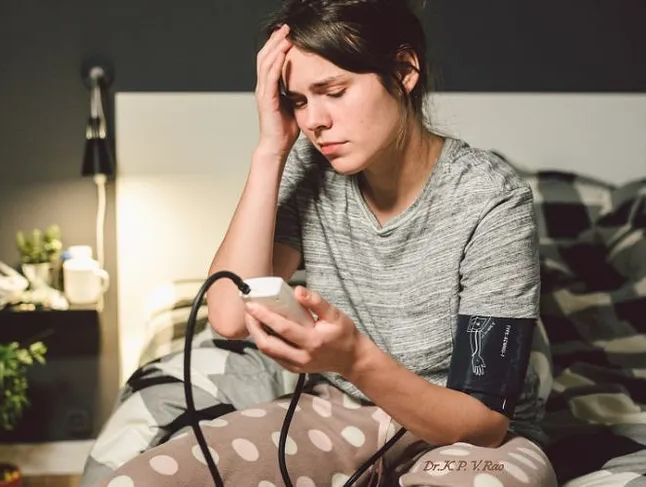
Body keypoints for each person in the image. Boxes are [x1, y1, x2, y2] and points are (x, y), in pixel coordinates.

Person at [92, 0, 557, 485]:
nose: (314, 121)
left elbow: (483, 424)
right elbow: (229, 317)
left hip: (464, 437)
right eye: (297, 100)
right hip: (342, 411)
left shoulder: (492, 199)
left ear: (404, 70)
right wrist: (271, 149)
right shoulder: (311, 167)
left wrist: (355, 358)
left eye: (332, 91)